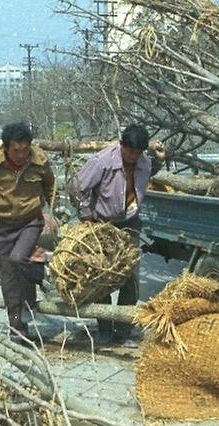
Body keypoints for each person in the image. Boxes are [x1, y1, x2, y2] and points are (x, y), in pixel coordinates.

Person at [67, 124, 163, 348]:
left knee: (130, 277)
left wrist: (158, 160)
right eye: (130, 152)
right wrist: (85, 215)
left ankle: (124, 329)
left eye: (137, 153)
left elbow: (149, 172)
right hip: (102, 224)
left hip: (129, 223)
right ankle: (104, 328)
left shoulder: (143, 162)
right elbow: (75, 187)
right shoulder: (102, 161)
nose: (133, 157)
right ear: (121, 145)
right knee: (103, 276)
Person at [0, 122, 55, 343]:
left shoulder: (39, 161)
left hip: (30, 221)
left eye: (25, 149)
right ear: (6, 148)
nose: (21, 154)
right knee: (8, 277)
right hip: (3, 225)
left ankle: (29, 302)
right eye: (16, 150)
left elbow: (50, 185)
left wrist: (55, 208)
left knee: (18, 258)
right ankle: (17, 326)